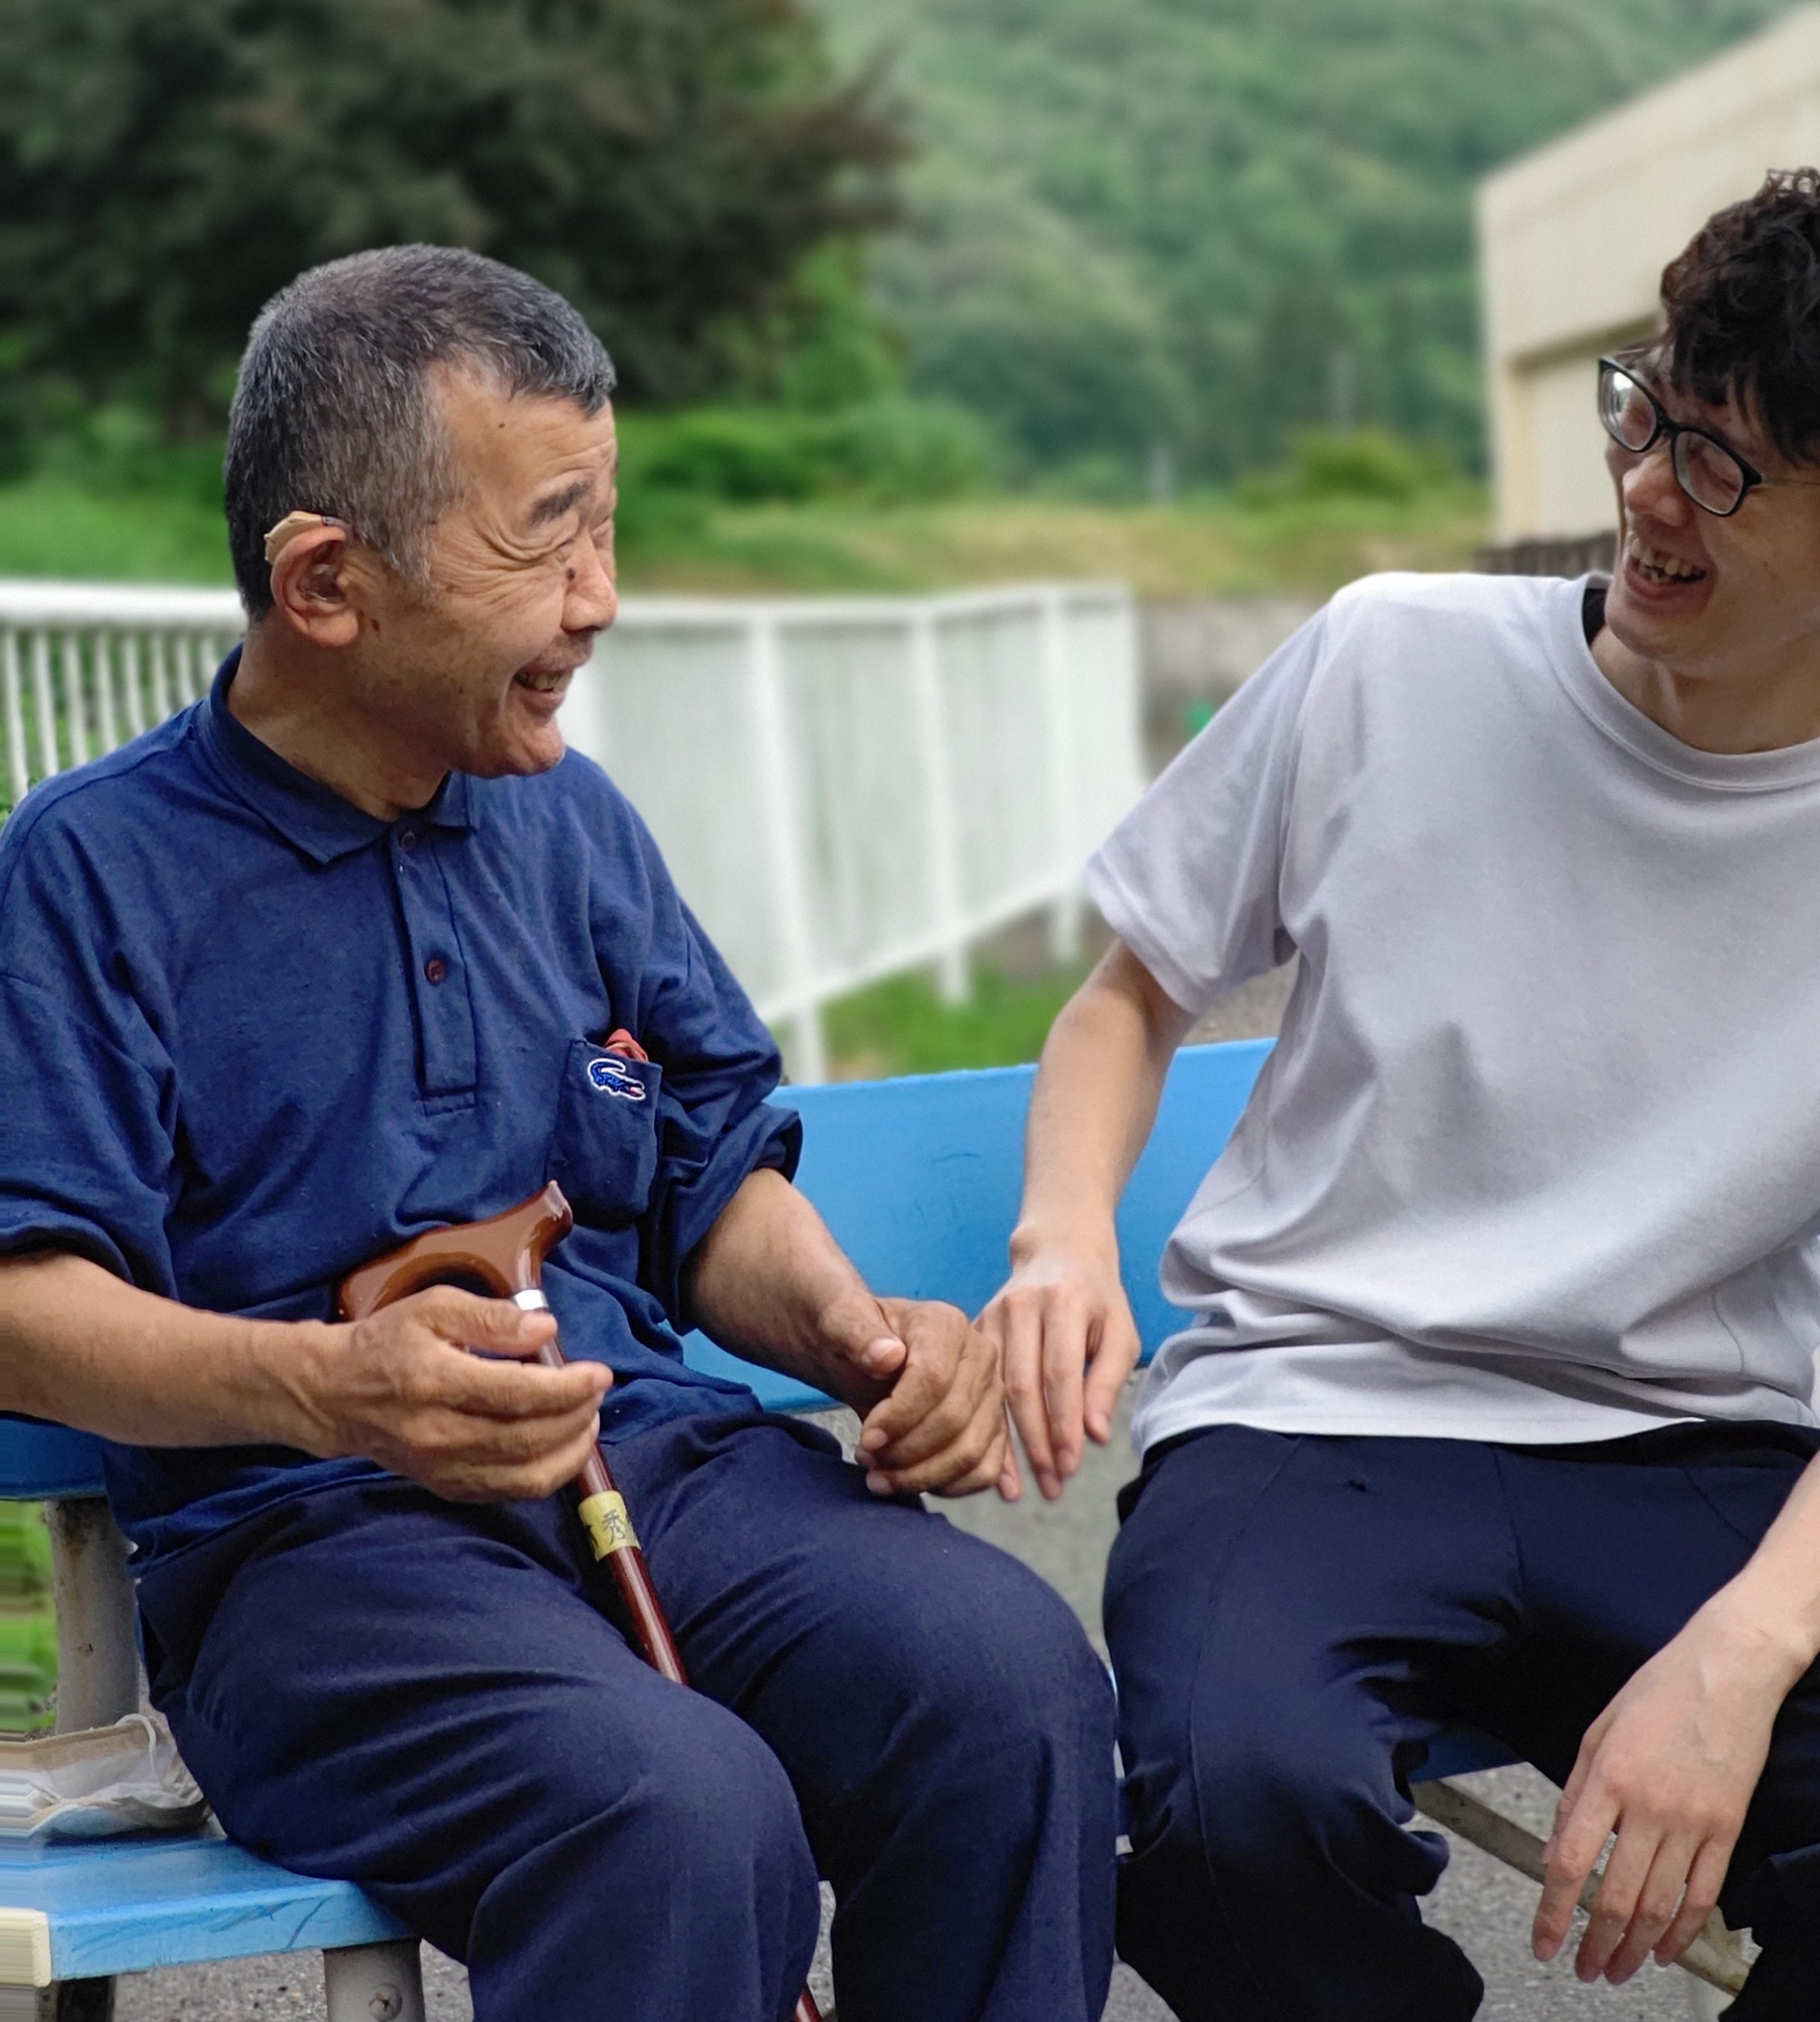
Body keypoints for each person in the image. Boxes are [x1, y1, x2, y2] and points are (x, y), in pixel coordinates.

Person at [0, 245, 1116, 2022]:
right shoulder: (91, 869)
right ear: (326, 582)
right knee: (677, 1811)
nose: (599, 598)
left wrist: (856, 1334)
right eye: (548, 533)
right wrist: (329, 1388)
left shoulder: (569, 820)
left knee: (1006, 1687)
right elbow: (21, 1298)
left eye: (609, 527)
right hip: (322, 1556)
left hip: (659, 1467)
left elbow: (702, 1172)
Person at [982, 169, 1820, 2020]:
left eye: (1731, 465)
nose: (1653, 486)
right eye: (1651, 410)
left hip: (1713, 1463)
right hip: (1316, 1420)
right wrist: (1060, 1242)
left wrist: (1745, 1655)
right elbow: (1127, 999)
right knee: (1226, 1820)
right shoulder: (1393, 661)